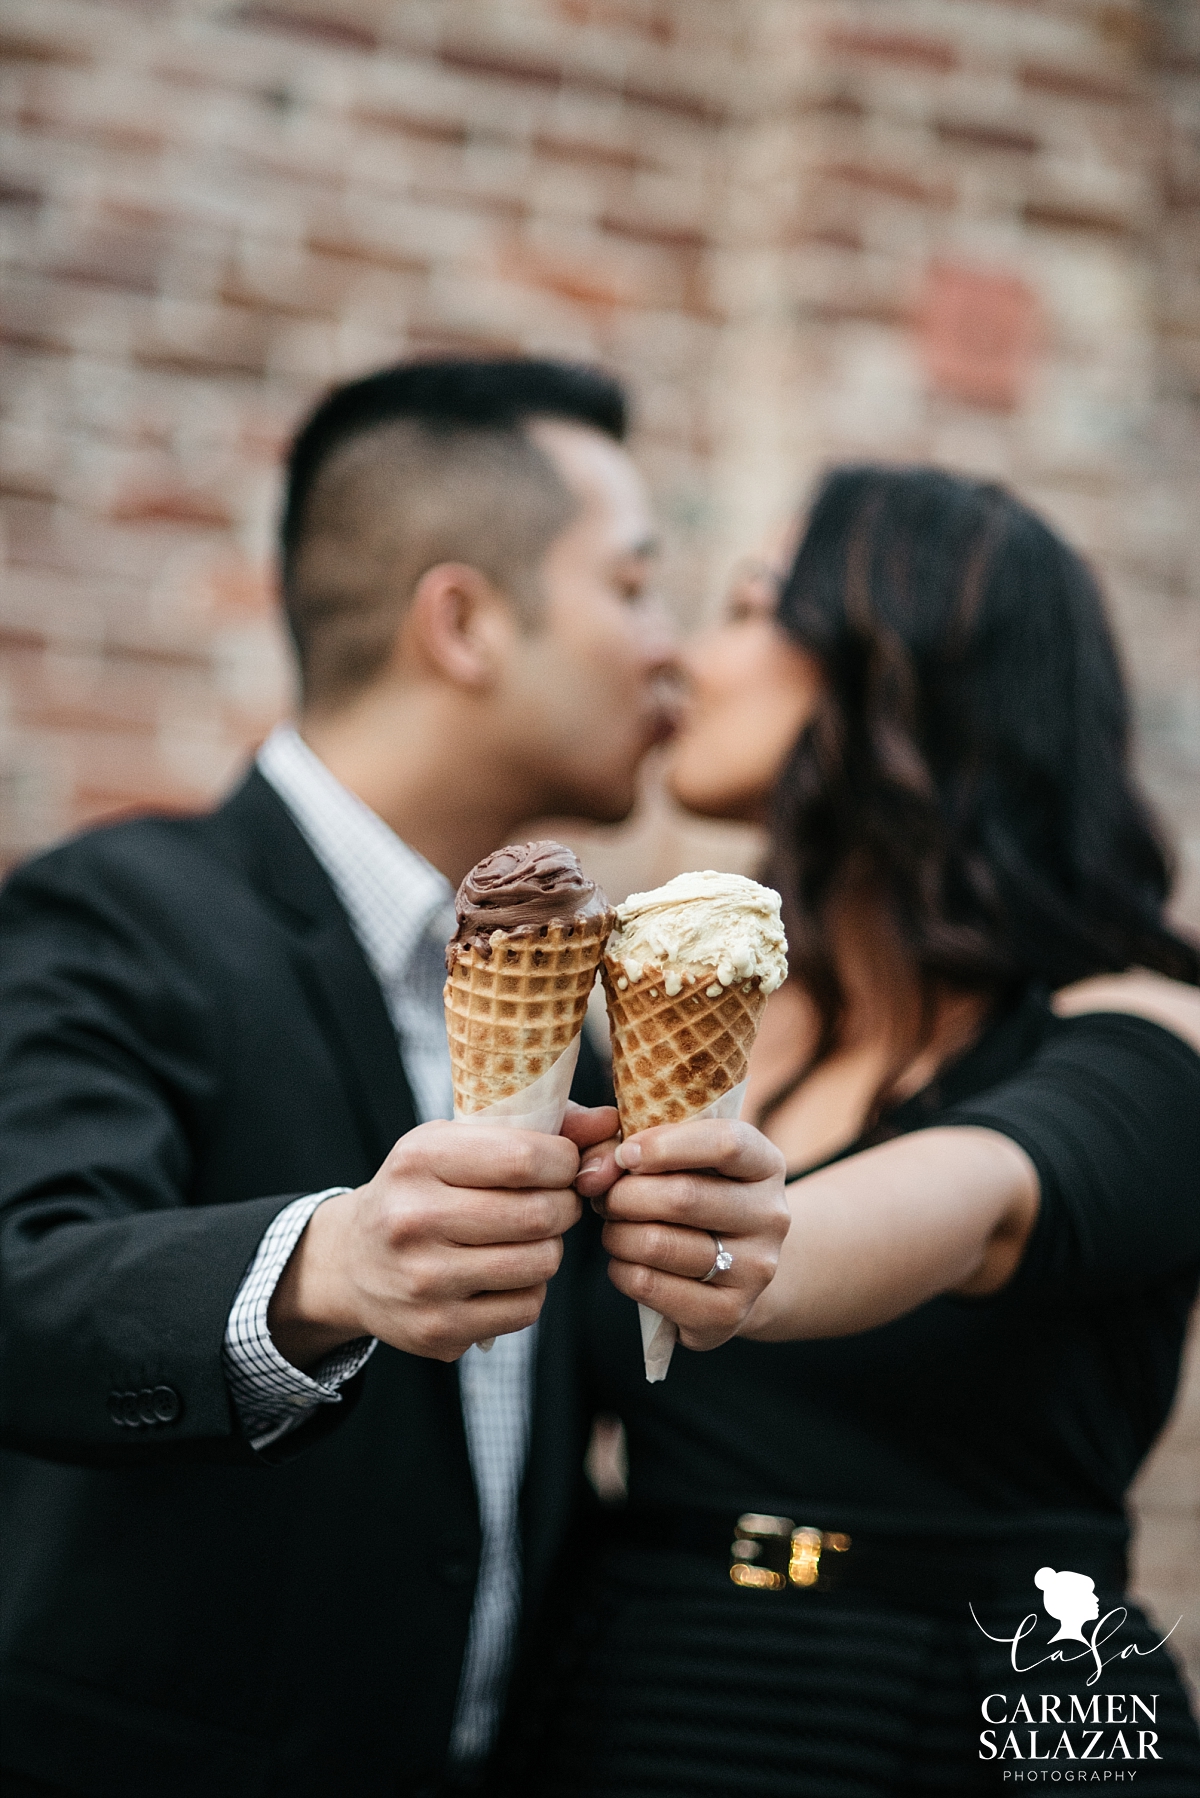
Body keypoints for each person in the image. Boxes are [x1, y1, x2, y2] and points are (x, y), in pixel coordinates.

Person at [0, 359, 789, 1798]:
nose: (669, 650)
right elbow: (26, 1281)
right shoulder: (118, 909)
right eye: (633, 587)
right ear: (466, 622)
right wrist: (326, 1261)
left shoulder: (586, 1021)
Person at [517, 466, 1200, 1795]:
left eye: (747, 608)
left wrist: (755, 1242)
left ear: (902, 661)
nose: (686, 658)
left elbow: (986, 1192)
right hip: (636, 1680)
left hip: (982, 1707)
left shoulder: (1140, 1038)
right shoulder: (658, 1042)